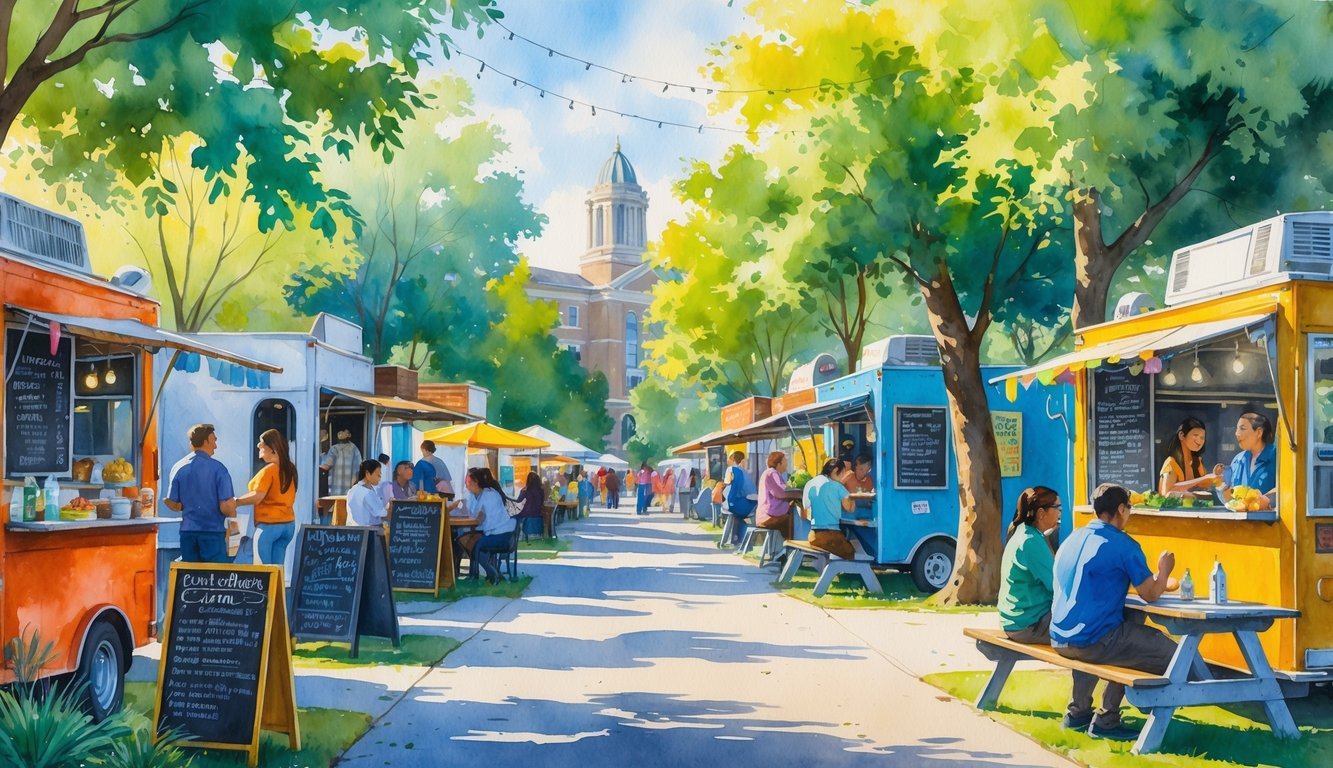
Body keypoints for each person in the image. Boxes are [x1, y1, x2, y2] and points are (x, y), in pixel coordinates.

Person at [1051, 483, 1178, 740]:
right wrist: (1165, 569)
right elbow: (1150, 593)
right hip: (1093, 640)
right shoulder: (1123, 544)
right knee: (1171, 653)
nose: (1130, 513)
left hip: (1059, 635)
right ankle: (1107, 718)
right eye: (1129, 508)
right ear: (1121, 509)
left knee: (1123, 628)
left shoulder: (1074, 537)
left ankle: (1078, 713)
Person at [165, 423, 238, 564]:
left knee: (191, 579)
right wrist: (235, 538)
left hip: (187, 534)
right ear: (206, 441)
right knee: (215, 578)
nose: (216, 446)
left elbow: (174, 504)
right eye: (214, 440)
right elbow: (227, 508)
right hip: (213, 535)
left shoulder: (178, 467)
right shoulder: (219, 469)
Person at [998, 486, 1061, 643]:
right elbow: (1057, 586)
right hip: (1028, 624)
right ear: (1041, 513)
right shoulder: (1031, 542)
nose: (1060, 513)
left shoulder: (1022, 532)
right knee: (1089, 631)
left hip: (1016, 620)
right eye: (1057, 508)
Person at [233, 429, 298, 567]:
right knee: (277, 569)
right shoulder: (291, 469)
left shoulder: (269, 471)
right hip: (288, 525)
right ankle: (278, 589)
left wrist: (236, 502)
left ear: (272, 448)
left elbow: (258, 496)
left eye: (262, 443)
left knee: (262, 570)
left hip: (269, 526)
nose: (258, 446)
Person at [459, 467, 517, 584]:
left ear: (476, 482)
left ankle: (492, 574)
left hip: (500, 534)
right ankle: (490, 573)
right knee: (465, 540)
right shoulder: (486, 493)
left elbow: (480, 518)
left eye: (470, 481)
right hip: (500, 532)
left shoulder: (487, 495)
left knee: (473, 543)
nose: (468, 484)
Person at [1221, 411, 1277, 505]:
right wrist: (1222, 490)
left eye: (1242, 429)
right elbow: (1228, 499)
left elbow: (1288, 488)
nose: (1237, 434)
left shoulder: (1278, 457)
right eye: (1237, 429)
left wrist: (1266, 500)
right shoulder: (1237, 460)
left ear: (1259, 432)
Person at [1158, 417, 1223, 497]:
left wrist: (1215, 478)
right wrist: (1204, 478)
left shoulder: (1198, 462)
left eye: (1202, 437)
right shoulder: (1171, 463)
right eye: (1195, 435)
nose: (1199, 441)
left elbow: (1204, 487)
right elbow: (1166, 492)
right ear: (1181, 435)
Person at [808, 460, 855, 559]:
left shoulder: (811, 483)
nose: (844, 475)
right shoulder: (838, 487)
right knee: (850, 551)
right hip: (830, 536)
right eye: (843, 472)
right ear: (836, 470)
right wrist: (851, 491)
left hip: (813, 535)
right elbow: (849, 508)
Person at [755, 450, 793, 540]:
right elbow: (780, 492)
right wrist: (796, 494)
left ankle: (781, 548)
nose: (787, 463)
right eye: (785, 461)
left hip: (766, 515)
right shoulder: (772, 473)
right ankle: (786, 549)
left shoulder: (769, 473)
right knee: (792, 521)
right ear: (779, 463)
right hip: (768, 516)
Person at [320, 428, 362, 503]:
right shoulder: (354, 449)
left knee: (336, 505)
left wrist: (317, 467)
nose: (340, 434)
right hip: (349, 486)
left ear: (349, 435)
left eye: (343, 432)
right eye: (339, 432)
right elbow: (360, 466)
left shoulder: (335, 448)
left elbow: (327, 466)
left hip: (337, 487)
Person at [725, 451, 757, 546]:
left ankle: (735, 539)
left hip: (736, 503)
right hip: (745, 502)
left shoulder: (731, 470)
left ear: (732, 459)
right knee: (742, 517)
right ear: (742, 460)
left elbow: (728, 485)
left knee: (738, 516)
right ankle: (739, 539)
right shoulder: (743, 472)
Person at [346, 460, 387, 527]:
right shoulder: (367, 492)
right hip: (368, 531)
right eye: (378, 475)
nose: (380, 478)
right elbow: (382, 513)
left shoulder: (353, 489)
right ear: (367, 473)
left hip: (353, 531)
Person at [512, 471, 546, 539]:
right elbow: (541, 503)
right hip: (537, 515)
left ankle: (515, 536)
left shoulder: (524, 490)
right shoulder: (541, 491)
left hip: (525, 515)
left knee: (513, 516)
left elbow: (518, 502)